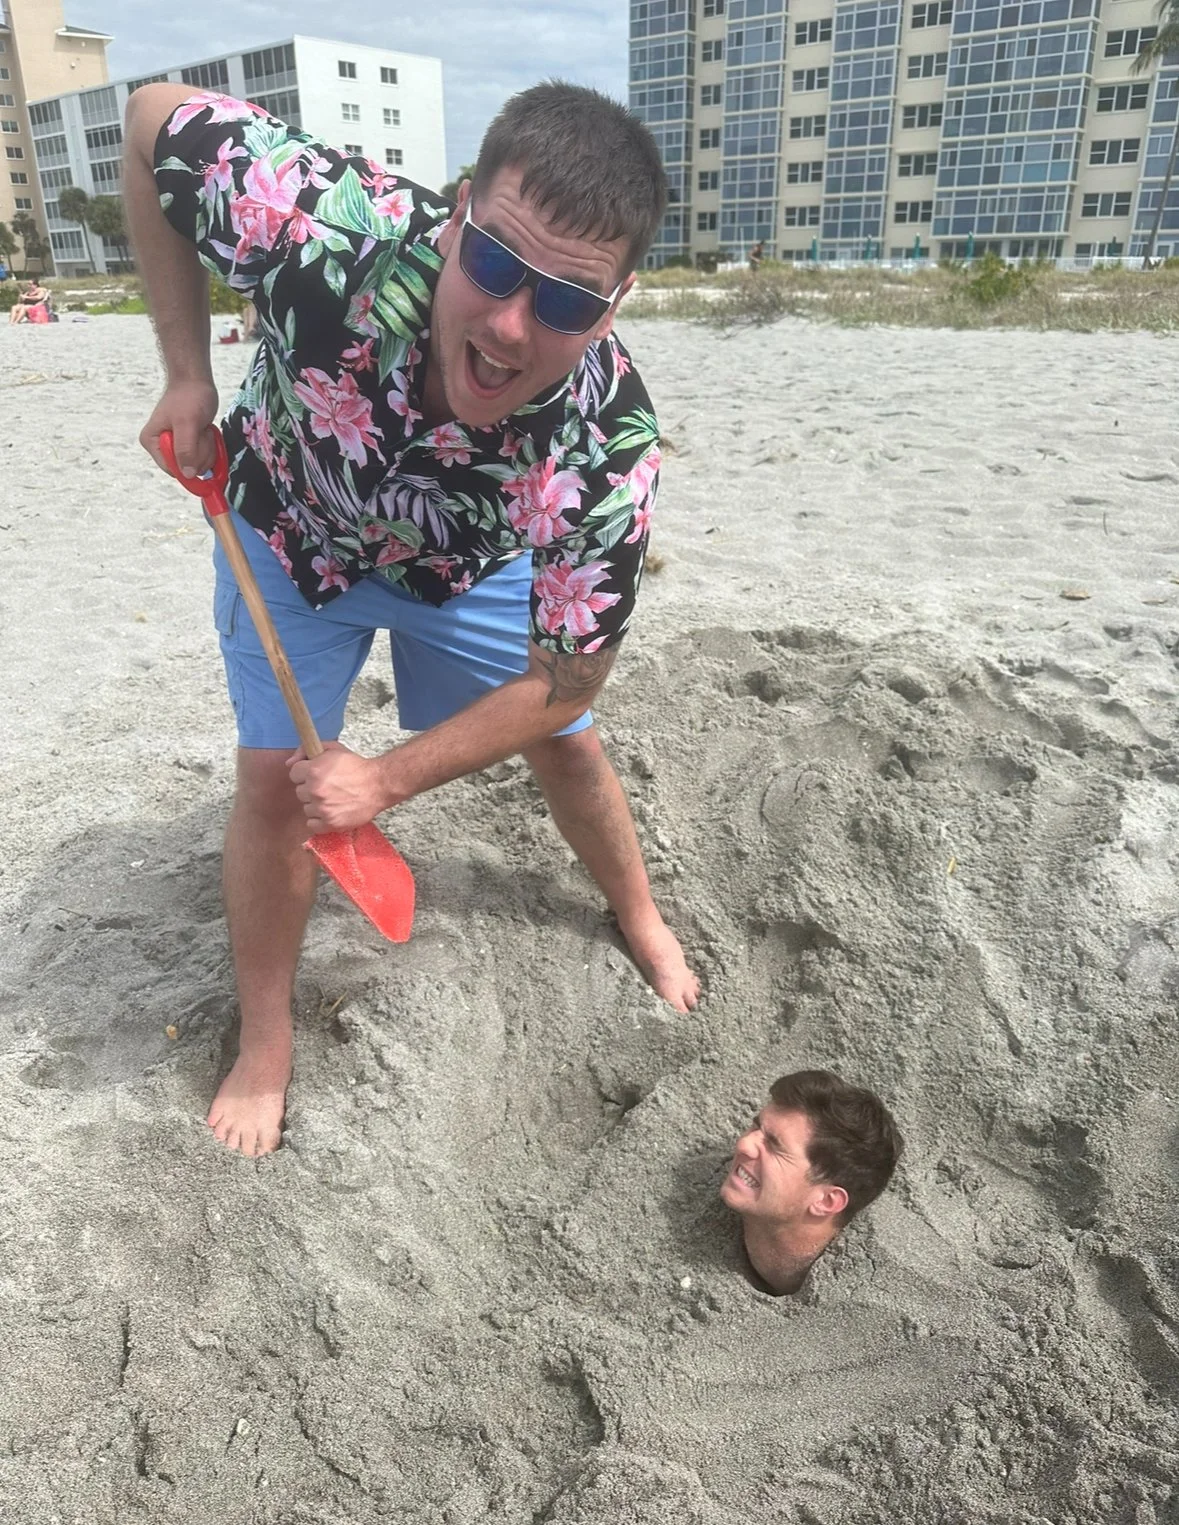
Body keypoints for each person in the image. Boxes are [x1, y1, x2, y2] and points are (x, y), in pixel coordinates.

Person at [124, 79, 699, 1157]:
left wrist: (383, 780)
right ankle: (266, 1044)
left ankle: (639, 913)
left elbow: (570, 677)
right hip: (288, 523)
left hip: (462, 563)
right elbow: (154, 116)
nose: (511, 324)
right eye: (494, 263)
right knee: (271, 783)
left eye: (569, 302)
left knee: (569, 743)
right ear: (459, 213)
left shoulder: (607, 443)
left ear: (615, 305)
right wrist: (187, 374)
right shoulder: (328, 231)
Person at [720, 1069, 903, 1294]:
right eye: (756, 1126)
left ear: (826, 1201)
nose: (743, 1145)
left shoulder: (867, 1295)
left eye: (774, 1145)